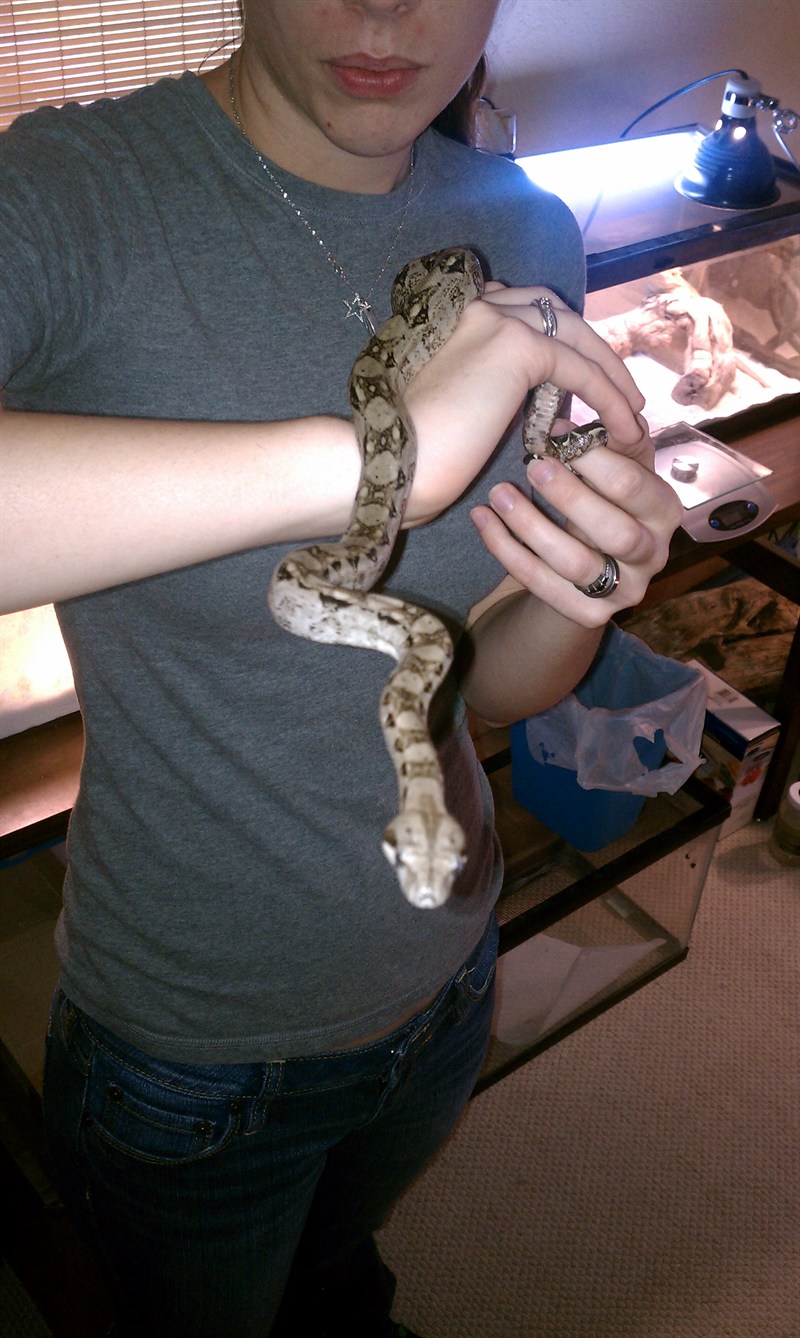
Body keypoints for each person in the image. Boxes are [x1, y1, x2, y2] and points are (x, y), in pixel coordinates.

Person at [0, 2, 682, 1334]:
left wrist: (596, 575)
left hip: (443, 983)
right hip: (191, 1052)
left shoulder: (530, 229)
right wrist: (378, 464)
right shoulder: (69, 193)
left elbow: (491, 685)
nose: (385, 9)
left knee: (335, 1277)